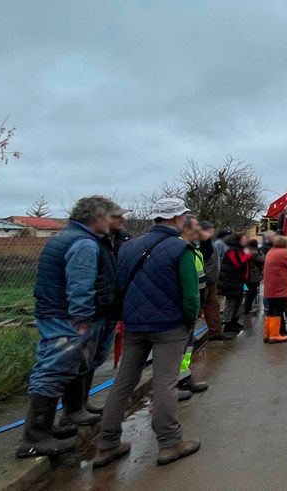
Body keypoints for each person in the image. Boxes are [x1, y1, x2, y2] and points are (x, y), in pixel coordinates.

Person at [93, 198, 201, 468]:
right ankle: (170, 442)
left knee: (123, 383)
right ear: (177, 218)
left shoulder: (128, 247)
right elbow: (191, 294)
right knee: (165, 382)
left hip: (134, 325)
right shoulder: (181, 249)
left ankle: (107, 443)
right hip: (169, 326)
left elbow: (120, 284)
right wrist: (189, 322)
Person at [17, 196, 118, 458]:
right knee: (54, 369)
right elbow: (80, 285)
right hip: (67, 318)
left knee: (74, 365)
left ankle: (73, 412)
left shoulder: (72, 237)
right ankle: (35, 436)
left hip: (62, 314)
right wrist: (83, 319)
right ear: (96, 218)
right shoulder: (82, 243)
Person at [80, 205, 132, 418]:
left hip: (111, 309)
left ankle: (83, 404)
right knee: (82, 360)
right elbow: (82, 282)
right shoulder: (89, 242)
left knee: (96, 358)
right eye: (117, 217)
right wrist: (83, 315)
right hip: (94, 311)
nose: (121, 220)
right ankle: (75, 409)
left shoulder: (120, 240)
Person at [176, 217, 210, 397]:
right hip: (184, 308)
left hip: (194, 305)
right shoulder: (180, 248)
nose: (200, 229)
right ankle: (178, 382)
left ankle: (185, 377)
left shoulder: (193, 249)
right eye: (197, 226)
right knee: (180, 347)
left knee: (187, 347)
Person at [261, 235, 287, 343]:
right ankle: (274, 335)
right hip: (279, 288)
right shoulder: (283, 253)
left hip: (270, 287)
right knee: (278, 311)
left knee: (271, 311)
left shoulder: (271, 251)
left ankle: (267, 334)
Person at [199, 223, 225, 340]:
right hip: (207, 279)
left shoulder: (208, 243)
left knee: (211, 306)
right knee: (208, 306)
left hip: (209, 279)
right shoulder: (206, 244)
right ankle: (215, 331)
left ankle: (216, 331)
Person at [219, 234, 248, 333]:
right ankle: (228, 324)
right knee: (230, 303)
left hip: (238, 280)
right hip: (230, 281)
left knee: (238, 302)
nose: (246, 241)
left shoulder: (239, 250)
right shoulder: (232, 250)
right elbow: (238, 263)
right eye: (244, 239)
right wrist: (247, 255)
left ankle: (234, 321)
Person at [243, 238, 265, 315]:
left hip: (246, 275)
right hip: (252, 275)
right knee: (252, 291)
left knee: (247, 290)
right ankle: (247, 308)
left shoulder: (246, 250)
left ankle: (246, 306)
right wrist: (261, 253)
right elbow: (262, 259)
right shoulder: (254, 252)